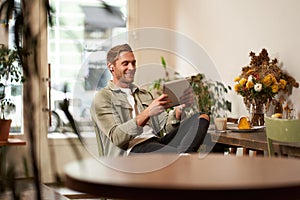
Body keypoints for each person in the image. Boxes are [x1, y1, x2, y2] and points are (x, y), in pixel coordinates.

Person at [90, 44, 210, 157]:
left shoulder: (143, 94)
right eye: (125, 63)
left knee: (202, 118)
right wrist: (147, 113)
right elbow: (117, 137)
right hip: (132, 149)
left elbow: (165, 127)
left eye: (133, 63)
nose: (131, 68)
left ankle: (183, 157)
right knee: (173, 154)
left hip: (156, 142)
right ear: (111, 66)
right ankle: (182, 158)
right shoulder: (103, 97)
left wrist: (179, 109)